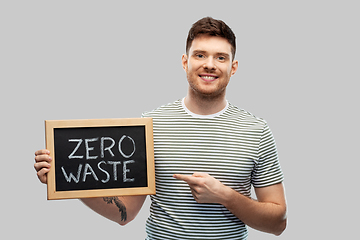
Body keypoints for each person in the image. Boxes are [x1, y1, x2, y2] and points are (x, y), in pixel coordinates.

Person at [34, 17, 287, 239]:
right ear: (185, 62)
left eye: (220, 57)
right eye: (200, 55)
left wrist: (225, 196)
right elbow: (125, 213)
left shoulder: (257, 130)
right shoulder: (150, 125)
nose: (209, 64)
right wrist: (69, 178)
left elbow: (278, 223)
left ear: (233, 67)